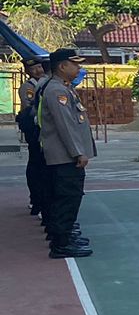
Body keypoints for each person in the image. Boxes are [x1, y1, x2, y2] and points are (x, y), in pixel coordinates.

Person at [36, 47, 96, 258]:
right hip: (65, 157)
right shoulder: (57, 91)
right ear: (62, 66)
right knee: (67, 198)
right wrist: (78, 152)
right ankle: (61, 243)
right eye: (75, 64)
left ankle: (66, 235)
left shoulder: (63, 87)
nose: (79, 68)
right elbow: (66, 125)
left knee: (69, 197)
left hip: (65, 155)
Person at [17, 53, 49, 221]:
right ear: (28, 71)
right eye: (33, 68)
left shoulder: (45, 83)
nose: (37, 70)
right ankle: (35, 199)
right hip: (34, 130)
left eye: (39, 67)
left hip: (43, 130)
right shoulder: (28, 87)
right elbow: (30, 107)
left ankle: (39, 199)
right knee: (36, 163)